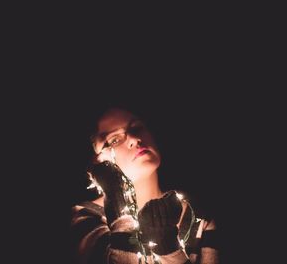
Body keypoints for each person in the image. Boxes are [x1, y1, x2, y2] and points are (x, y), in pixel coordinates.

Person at [70, 107, 219, 264]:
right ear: (97, 160)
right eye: (114, 140)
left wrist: (167, 246)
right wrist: (116, 197)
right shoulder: (86, 217)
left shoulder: (198, 220)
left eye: (136, 128)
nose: (134, 139)